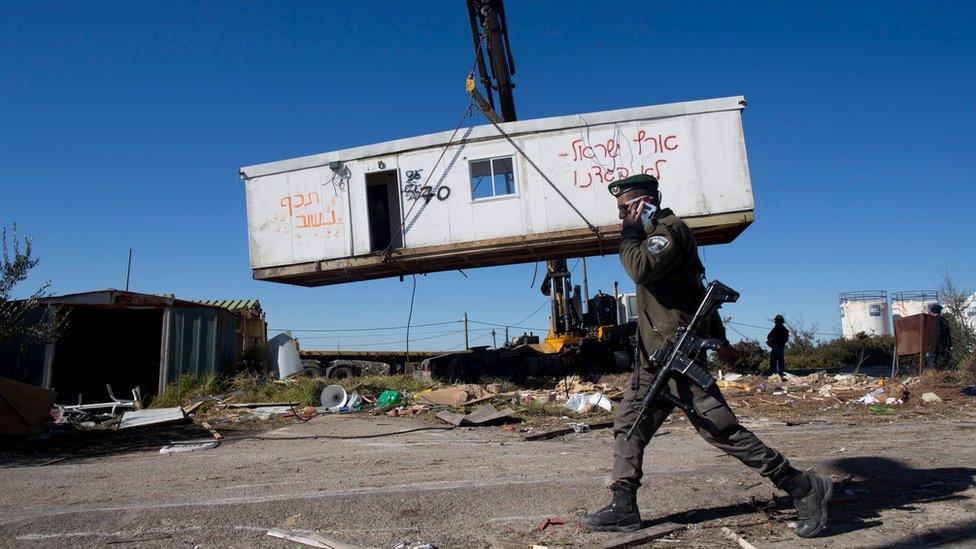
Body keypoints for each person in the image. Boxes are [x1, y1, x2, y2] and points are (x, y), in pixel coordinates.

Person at [580, 175, 832, 538]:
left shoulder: (668, 231)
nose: (622, 216)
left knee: (720, 430)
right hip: (655, 359)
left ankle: (802, 487)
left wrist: (630, 232)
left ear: (645, 202)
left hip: (678, 355)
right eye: (621, 211)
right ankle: (624, 506)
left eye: (626, 209)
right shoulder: (653, 236)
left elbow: (639, 268)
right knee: (629, 425)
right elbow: (680, 294)